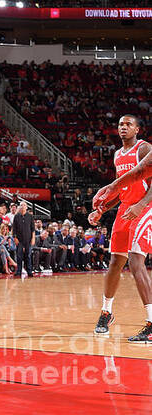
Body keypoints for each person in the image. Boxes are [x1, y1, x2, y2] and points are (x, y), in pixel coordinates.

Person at [89, 115, 151, 337]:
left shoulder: (144, 149)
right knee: (115, 261)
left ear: (137, 129)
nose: (124, 127)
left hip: (145, 207)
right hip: (125, 209)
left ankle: (151, 322)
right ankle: (106, 312)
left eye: (128, 124)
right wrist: (102, 209)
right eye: (121, 125)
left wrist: (142, 203)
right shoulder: (117, 154)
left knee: (136, 259)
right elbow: (120, 188)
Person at [12, 201, 35, 277]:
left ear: (26, 207)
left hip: (28, 239)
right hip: (19, 239)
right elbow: (14, 228)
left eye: (24, 205)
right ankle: (18, 271)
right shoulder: (16, 216)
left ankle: (29, 271)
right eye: (21, 205)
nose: (22, 206)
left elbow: (33, 229)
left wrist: (33, 238)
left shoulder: (30, 216)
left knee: (28, 256)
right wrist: (15, 238)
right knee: (19, 256)